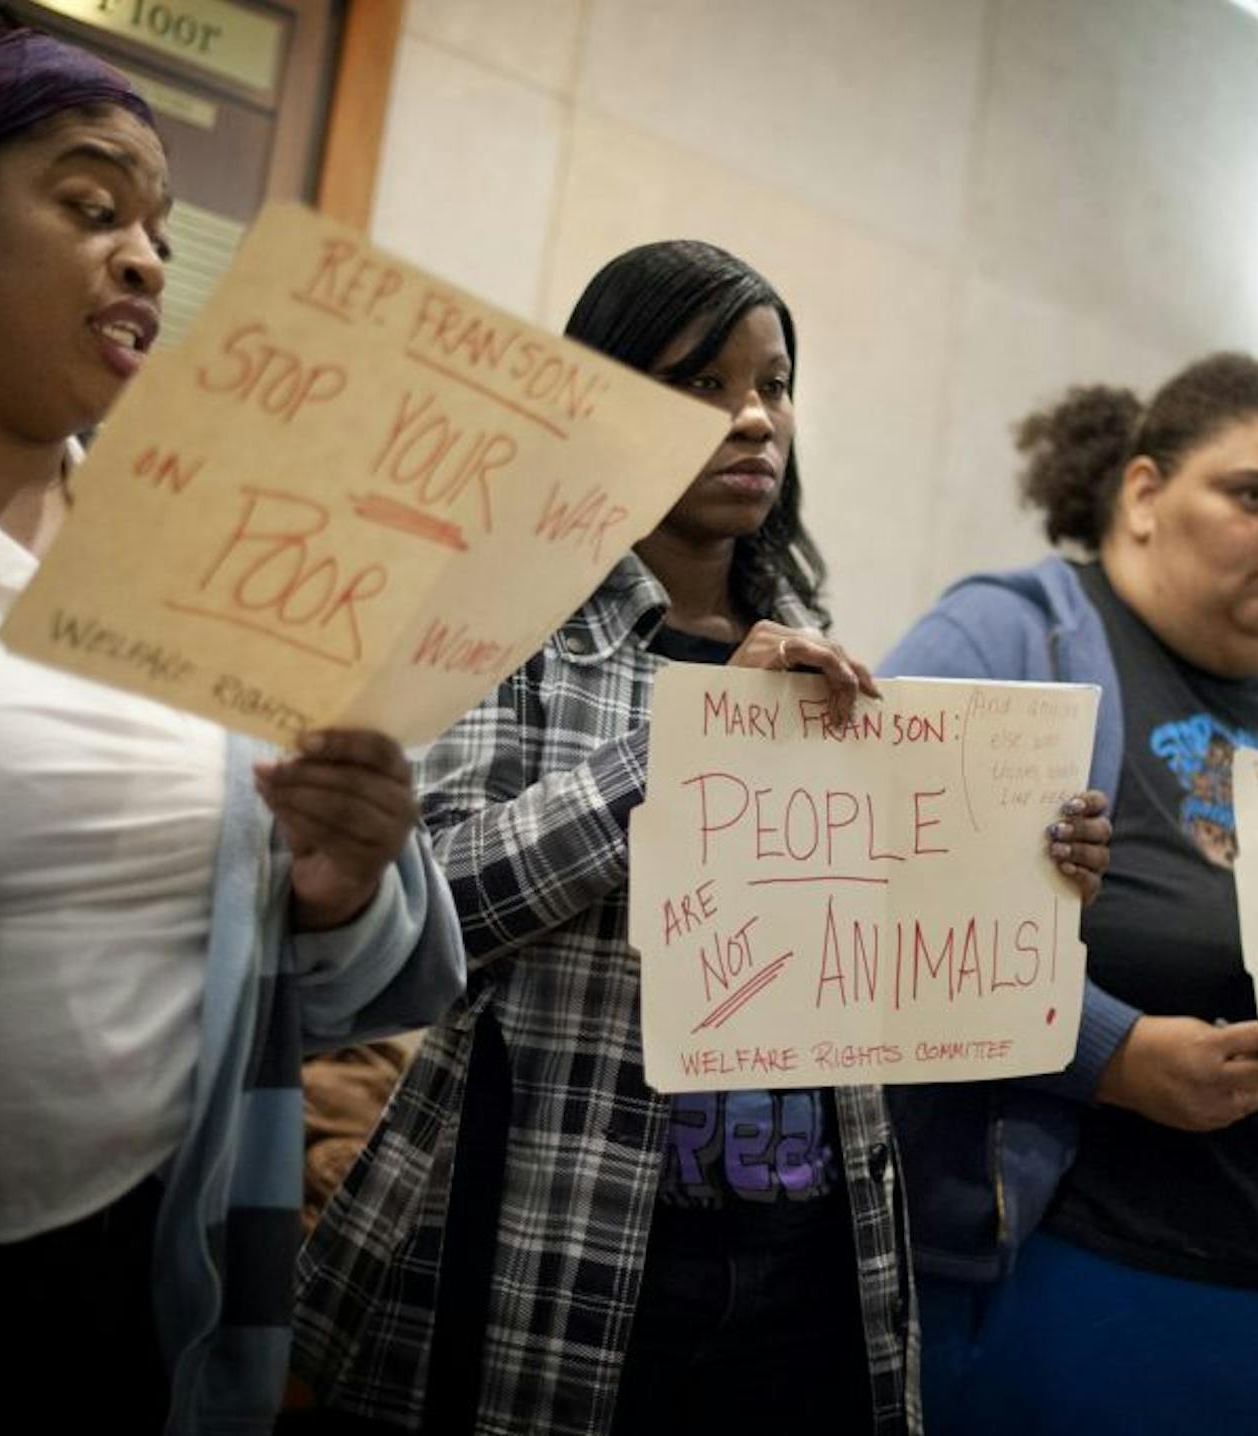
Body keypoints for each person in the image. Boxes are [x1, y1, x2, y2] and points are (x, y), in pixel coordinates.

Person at [0, 7, 464, 1431]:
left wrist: (344, 883)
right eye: (92, 203)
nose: (146, 257)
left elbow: (374, 986)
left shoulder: (206, 553)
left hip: (152, 1308)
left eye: (162, 230)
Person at [288, 240, 1110, 1435]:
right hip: (569, 1224)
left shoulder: (819, 648)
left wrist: (1021, 873)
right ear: (603, 403)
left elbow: (866, 947)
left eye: (774, 384)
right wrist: (687, 744)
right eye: (697, 384)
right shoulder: (511, 624)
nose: (752, 419)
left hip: (810, 1246)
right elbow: (435, 897)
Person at [877, 359, 1258, 1434]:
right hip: (1073, 1288)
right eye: (1254, 495)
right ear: (1143, 495)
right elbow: (877, 907)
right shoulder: (1012, 636)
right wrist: (1109, 1056)